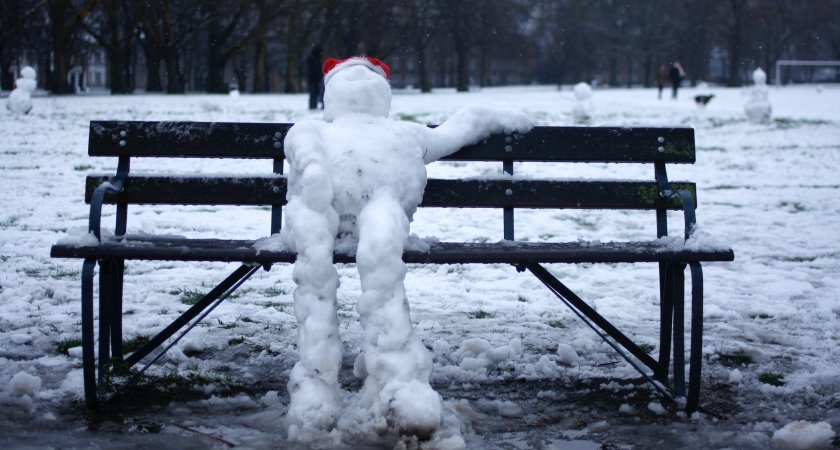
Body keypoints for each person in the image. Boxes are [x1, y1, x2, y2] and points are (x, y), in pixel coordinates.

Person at [278, 56, 532, 441]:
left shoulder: (315, 129)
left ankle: (317, 391)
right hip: (375, 209)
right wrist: (499, 116)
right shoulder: (406, 134)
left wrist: (313, 168)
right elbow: (458, 129)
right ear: (384, 94)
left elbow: (302, 146)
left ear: (332, 94)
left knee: (317, 281)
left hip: (324, 213)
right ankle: (398, 382)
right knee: (383, 266)